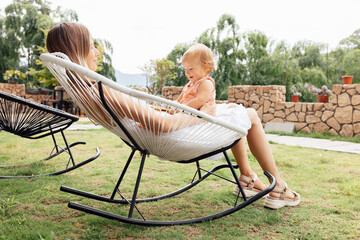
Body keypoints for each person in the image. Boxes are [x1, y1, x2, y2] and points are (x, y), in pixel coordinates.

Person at [46, 23, 300, 210]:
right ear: (78, 51)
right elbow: (164, 125)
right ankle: (277, 187)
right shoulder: (105, 91)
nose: (97, 53)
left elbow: (153, 118)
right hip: (174, 138)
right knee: (250, 115)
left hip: (160, 135)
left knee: (232, 114)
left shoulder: (89, 92)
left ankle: (246, 177)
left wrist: (184, 111)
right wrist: (201, 117)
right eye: (91, 47)